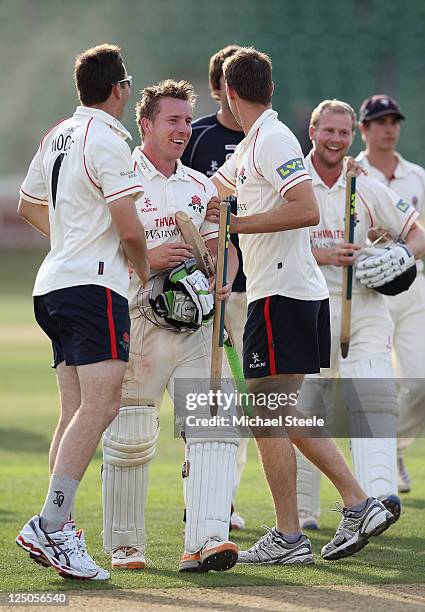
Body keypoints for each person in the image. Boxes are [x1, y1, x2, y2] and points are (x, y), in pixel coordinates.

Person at [209, 46, 395, 564]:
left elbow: (306, 208)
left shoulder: (271, 139)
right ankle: (290, 536)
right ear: (270, 89)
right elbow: (215, 194)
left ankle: (358, 503)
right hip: (286, 293)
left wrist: (235, 225)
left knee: (274, 410)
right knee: (270, 415)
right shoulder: (251, 146)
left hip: (283, 295)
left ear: (229, 92)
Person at [15, 44, 149, 580]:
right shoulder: (110, 139)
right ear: (120, 89)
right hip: (93, 288)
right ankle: (51, 524)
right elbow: (132, 229)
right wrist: (145, 272)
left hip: (53, 284)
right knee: (103, 405)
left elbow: (27, 205)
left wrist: (67, 242)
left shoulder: (58, 133)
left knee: (76, 411)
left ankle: (60, 528)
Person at [101, 79, 241, 573]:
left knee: (214, 428)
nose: (183, 129)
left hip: (197, 325)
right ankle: (125, 544)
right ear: (146, 124)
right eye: (172, 120)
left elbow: (221, 245)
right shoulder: (119, 176)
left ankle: (205, 539)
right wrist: (148, 257)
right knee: (132, 433)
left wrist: (222, 273)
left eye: (187, 120)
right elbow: (98, 244)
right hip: (140, 318)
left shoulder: (201, 186)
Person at [295, 99, 425, 530]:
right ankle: (304, 513)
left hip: (364, 306)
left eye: (343, 133)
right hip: (306, 307)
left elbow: (416, 232)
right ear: (313, 131)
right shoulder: (292, 181)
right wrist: (323, 254)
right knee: (307, 409)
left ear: (352, 136)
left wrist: (398, 255)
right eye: (328, 130)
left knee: (373, 397)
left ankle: (378, 500)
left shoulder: (363, 183)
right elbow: (268, 246)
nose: (335, 139)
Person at [181, 44, 247, 531]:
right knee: (205, 397)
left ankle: (223, 498)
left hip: (253, 284)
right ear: (217, 88)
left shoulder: (262, 138)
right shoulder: (196, 136)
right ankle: (202, 495)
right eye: (228, 83)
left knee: (241, 400)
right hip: (207, 290)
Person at [357, 95, 425, 493]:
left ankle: (396, 447)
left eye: (394, 120)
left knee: (418, 382)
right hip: (367, 290)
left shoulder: (416, 176)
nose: (389, 127)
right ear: (364, 129)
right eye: (379, 121)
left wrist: (401, 251)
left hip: (412, 285)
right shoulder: (353, 171)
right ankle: (375, 465)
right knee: (374, 385)